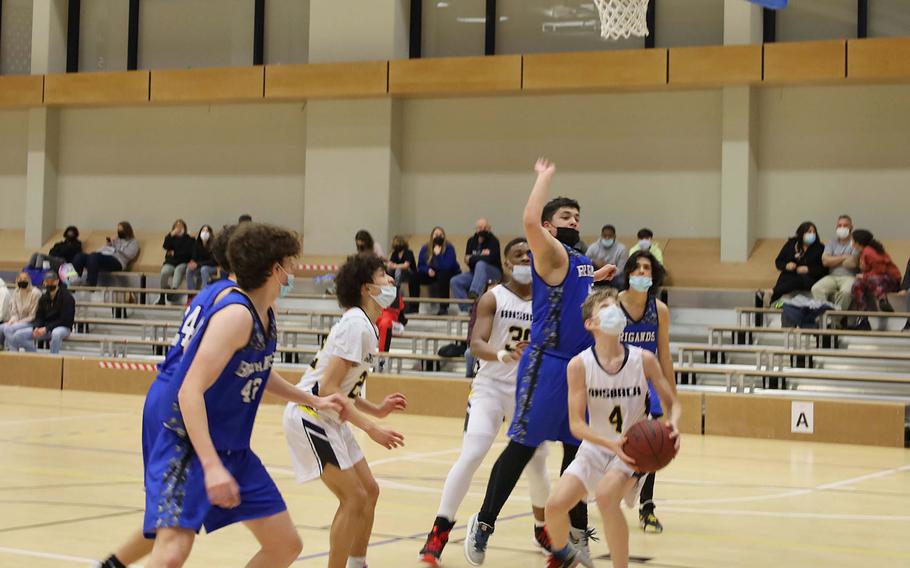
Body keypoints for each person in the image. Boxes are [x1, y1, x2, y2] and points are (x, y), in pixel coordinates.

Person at [141, 223, 349, 568]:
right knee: (171, 555)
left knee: (284, 546)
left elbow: (258, 368)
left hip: (233, 449)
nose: (293, 270)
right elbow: (189, 389)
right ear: (274, 269)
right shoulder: (236, 315)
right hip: (189, 448)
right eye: (289, 263)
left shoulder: (265, 311)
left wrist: (312, 399)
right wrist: (210, 466)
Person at [464, 159, 615, 566]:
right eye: (565, 216)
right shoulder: (549, 250)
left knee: (575, 451)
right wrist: (543, 178)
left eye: (577, 216)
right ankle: (483, 523)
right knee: (522, 446)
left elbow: (570, 287)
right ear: (549, 227)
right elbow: (529, 218)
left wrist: (596, 275)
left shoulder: (577, 260)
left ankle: (577, 535)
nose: (574, 220)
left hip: (578, 366)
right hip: (547, 365)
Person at [419, 238, 551, 566]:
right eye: (518, 255)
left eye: (529, 254)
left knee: (537, 463)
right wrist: (502, 354)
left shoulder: (547, 301)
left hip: (528, 393)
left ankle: (542, 527)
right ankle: (439, 531)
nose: (524, 258)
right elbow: (476, 343)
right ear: (506, 263)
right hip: (490, 387)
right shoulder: (493, 297)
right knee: (473, 452)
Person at [283, 253, 407, 568]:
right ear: (367, 288)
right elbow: (327, 389)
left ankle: (357, 562)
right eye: (383, 276)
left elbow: (344, 389)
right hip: (309, 415)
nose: (391, 280)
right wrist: (371, 427)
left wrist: (377, 410)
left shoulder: (365, 325)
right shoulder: (357, 325)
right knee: (353, 498)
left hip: (330, 416)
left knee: (369, 491)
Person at [544, 287, 681, 568]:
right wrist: (608, 444)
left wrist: (673, 425)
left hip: (631, 450)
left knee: (606, 497)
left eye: (615, 306)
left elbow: (673, 403)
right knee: (554, 507)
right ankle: (563, 557)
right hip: (596, 445)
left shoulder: (643, 359)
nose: (614, 310)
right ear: (590, 324)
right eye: (605, 307)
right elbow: (576, 424)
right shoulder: (579, 365)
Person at [618, 251, 675, 534]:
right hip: (615, 381)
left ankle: (647, 506)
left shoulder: (659, 310)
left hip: (647, 382)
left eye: (647, 268)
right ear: (628, 273)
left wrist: (672, 400)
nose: (642, 272)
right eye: (637, 267)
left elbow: (665, 357)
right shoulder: (613, 307)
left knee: (654, 440)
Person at [8, 271, 74, 355]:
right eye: (47, 282)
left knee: (56, 333)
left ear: (57, 281)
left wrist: (46, 328)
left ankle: (53, 360)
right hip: (46, 328)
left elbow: (65, 320)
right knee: (18, 335)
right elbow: (39, 316)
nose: (49, 284)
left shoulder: (67, 297)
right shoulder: (43, 297)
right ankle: (34, 355)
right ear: (44, 282)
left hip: (63, 327)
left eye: (52, 282)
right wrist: (37, 327)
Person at [849, 229, 902, 330]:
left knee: (872, 279)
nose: (851, 243)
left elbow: (880, 271)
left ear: (858, 242)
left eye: (853, 240)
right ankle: (863, 319)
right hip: (877, 282)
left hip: (891, 281)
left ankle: (883, 300)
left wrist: (864, 276)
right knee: (857, 285)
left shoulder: (869, 252)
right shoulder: (862, 253)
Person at [450, 219, 503, 311]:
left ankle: (474, 293)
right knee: (455, 281)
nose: (482, 230)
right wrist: (481, 256)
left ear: (489, 229)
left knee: (481, 264)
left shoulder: (494, 241)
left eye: (485, 227)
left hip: (494, 272)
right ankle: (467, 308)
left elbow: (490, 259)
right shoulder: (471, 241)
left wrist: (473, 258)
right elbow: (467, 260)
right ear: (476, 229)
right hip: (475, 273)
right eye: (480, 228)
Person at [811, 215, 859, 314]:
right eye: (839, 225)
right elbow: (825, 261)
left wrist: (833, 259)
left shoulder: (855, 242)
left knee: (845, 293)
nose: (842, 228)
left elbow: (852, 263)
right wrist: (843, 257)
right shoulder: (832, 242)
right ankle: (824, 317)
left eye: (845, 225)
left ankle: (835, 321)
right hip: (832, 277)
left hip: (849, 277)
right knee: (816, 289)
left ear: (851, 227)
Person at [770, 222, 826, 304]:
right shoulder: (791, 244)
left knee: (796, 281)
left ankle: (771, 292)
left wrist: (808, 269)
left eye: (814, 232)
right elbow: (778, 261)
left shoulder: (820, 248)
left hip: (809, 278)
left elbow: (823, 270)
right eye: (809, 232)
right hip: (790, 274)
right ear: (801, 233)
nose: (812, 234)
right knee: (784, 278)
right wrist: (786, 265)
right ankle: (773, 303)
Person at [72, 221, 140, 287]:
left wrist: (116, 249)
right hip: (106, 256)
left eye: (121, 230)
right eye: (118, 230)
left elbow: (130, 255)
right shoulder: (117, 239)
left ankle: (90, 283)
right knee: (80, 256)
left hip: (118, 261)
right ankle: (74, 281)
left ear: (127, 230)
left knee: (94, 257)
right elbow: (104, 249)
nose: (119, 232)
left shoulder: (134, 242)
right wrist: (109, 245)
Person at [418, 227, 461, 315]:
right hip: (432, 273)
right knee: (414, 276)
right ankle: (413, 307)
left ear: (444, 236)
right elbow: (420, 265)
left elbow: (447, 266)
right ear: (432, 236)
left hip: (449, 273)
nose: (438, 237)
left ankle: (444, 307)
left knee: (443, 275)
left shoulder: (449, 248)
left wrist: (438, 255)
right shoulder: (425, 248)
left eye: (440, 235)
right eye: (436, 235)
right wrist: (428, 270)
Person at [0, 272, 42, 350]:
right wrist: (12, 320)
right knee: (2, 327)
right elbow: (14, 311)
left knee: (8, 329)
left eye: (25, 279)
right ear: (17, 281)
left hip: (31, 322)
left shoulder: (36, 293)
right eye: (20, 279)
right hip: (18, 321)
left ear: (29, 280)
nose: (22, 281)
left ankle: (26, 350)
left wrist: (18, 322)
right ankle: (9, 351)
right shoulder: (16, 292)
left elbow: (33, 316)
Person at [158, 219, 194, 304]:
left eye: (181, 226)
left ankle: (173, 292)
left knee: (178, 270)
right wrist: (170, 235)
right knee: (164, 272)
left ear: (184, 228)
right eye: (177, 226)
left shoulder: (189, 239)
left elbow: (187, 253)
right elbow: (165, 246)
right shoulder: (171, 237)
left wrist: (175, 253)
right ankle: (162, 296)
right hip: (171, 262)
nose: (179, 228)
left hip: (183, 262)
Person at [587, 225, 629, 290]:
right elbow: (585, 263)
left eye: (610, 236)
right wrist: (594, 262)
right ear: (601, 236)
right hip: (597, 275)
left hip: (613, 276)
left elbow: (621, 269)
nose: (607, 238)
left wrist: (609, 271)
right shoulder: (593, 247)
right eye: (605, 236)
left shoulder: (622, 249)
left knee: (622, 281)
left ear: (614, 236)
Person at [388, 235, 419, 313]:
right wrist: (391, 265)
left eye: (398, 243)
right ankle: (390, 286)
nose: (397, 245)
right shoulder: (395, 253)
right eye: (395, 244)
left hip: (410, 273)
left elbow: (406, 265)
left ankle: (396, 287)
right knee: (389, 270)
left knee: (398, 269)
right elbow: (391, 264)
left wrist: (395, 266)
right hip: (399, 274)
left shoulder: (408, 252)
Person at [186, 225, 218, 290]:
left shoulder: (214, 244)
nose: (205, 232)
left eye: (207, 231)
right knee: (189, 270)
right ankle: (191, 293)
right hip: (200, 266)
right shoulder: (197, 244)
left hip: (213, 267)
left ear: (210, 233)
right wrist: (192, 262)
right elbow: (194, 257)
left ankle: (204, 292)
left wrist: (198, 264)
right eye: (203, 230)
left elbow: (213, 262)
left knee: (204, 269)